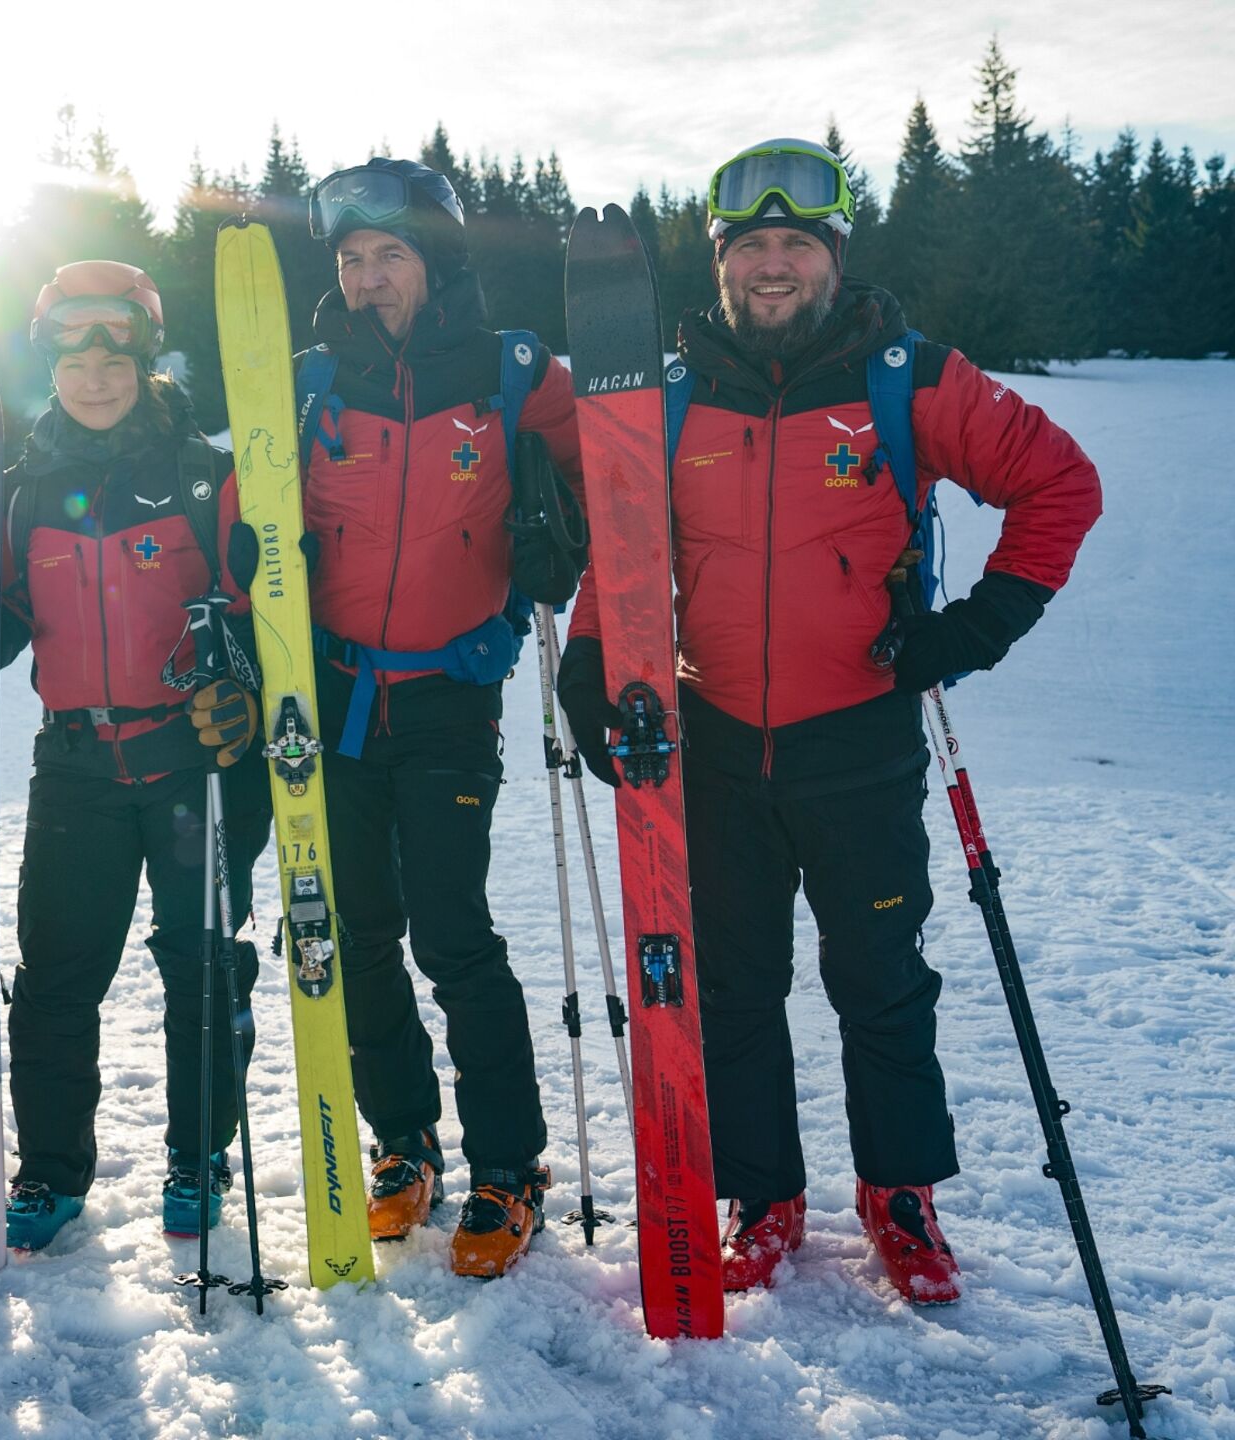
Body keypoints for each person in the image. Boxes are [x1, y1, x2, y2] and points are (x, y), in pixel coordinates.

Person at [556, 138, 1103, 1302]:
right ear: (719, 264)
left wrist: (983, 621)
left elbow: (1060, 482)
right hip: (708, 739)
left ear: (833, 256)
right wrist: (594, 655)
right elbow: (622, 544)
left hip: (858, 736)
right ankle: (766, 1196)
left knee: (881, 977)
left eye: (795, 242)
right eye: (748, 245)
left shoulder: (908, 376)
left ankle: (898, 1196)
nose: (771, 264)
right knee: (737, 983)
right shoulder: (663, 395)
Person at [276, 158, 587, 1277]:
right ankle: (403, 1146)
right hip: (339, 703)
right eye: (351, 260)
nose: (366, 278)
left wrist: (567, 538)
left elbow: (608, 462)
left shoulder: (510, 373)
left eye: (388, 256)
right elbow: (246, 511)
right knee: (356, 932)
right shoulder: (312, 382)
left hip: (454, 695)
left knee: (450, 928)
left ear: (435, 260)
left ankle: (509, 1166)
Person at [0, 261, 269, 1252]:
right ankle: (51, 1174)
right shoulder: (25, 491)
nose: (95, 370)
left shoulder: (205, 476)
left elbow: (257, 616)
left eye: (116, 348)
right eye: (74, 348)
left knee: (203, 968)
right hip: (74, 765)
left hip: (191, 760)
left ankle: (200, 1156)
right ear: (50, 356)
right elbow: (1, 629)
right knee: (58, 979)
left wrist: (239, 691)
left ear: (147, 356)